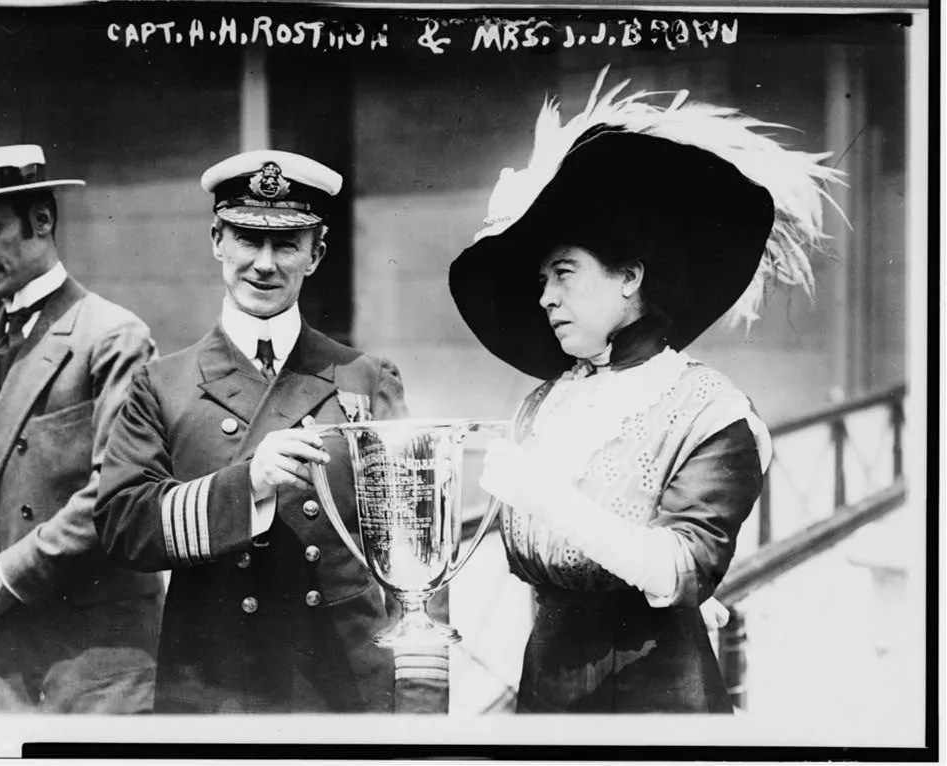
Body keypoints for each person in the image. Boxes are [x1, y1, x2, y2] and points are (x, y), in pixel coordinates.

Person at [449, 70, 844, 713]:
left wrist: (547, 496)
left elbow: (682, 567)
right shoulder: (546, 404)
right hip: (544, 701)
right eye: (542, 279)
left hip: (656, 703)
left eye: (565, 273)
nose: (545, 296)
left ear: (629, 275)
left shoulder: (711, 413)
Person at [94, 150, 408, 713]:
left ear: (317, 253)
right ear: (217, 239)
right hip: (215, 689)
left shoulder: (366, 378)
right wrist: (249, 487)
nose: (264, 263)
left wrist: (421, 699)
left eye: (287, 243)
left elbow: (411, 546)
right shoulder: (161, 385)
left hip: (343, 692)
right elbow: (122, 525)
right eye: (246, 238)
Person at [0, 144, 163, 713]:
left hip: (96, 662)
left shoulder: (112, 336)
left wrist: (14, 570)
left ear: (42, 220)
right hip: (4, 661)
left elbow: (117, 494)